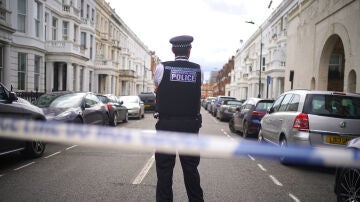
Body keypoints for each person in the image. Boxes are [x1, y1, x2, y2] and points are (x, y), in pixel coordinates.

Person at [153, 35, 204, 202]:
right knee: (191, 171)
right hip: (190, 127)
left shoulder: (162, 68)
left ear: (172, 50)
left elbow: (157, 87)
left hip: (166, 125)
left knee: (164, 171)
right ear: (189, 50)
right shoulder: (198, 70)